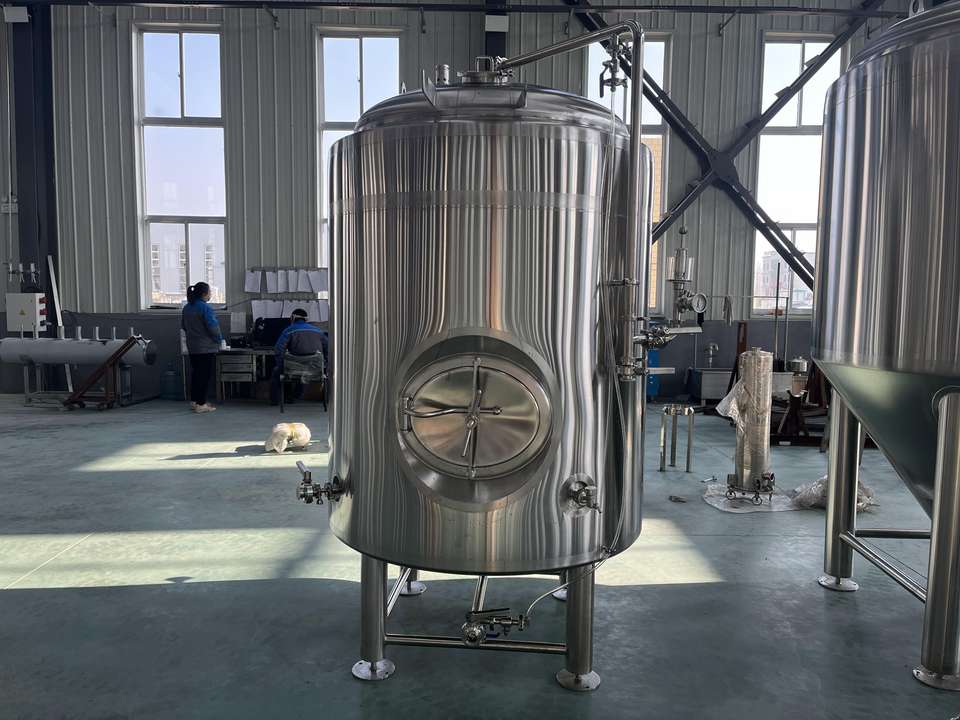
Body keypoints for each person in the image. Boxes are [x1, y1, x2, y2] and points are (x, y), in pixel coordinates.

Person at [271, 308, 328, 406]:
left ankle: (275, 401)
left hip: (293, 369)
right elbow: (329, 349)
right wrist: (325, 364)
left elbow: (278, 350)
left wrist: (282, 365)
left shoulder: (288, 330)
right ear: (306, 319)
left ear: (292, 318)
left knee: (276, 371)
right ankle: (297, 396)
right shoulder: (318, 331)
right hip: (315, 369)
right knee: (303, 369)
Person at [181, 282, 223, 413]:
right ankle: (201, 404)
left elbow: (184, 326)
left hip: (192, 347)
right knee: (204, 376)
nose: (210, 294)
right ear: (204, 294)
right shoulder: (206, 308)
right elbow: (213, 327)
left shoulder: (187, 308)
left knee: (196, 374)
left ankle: (194, 401)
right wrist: (219, 340)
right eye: (210, 292)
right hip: (206, 348)